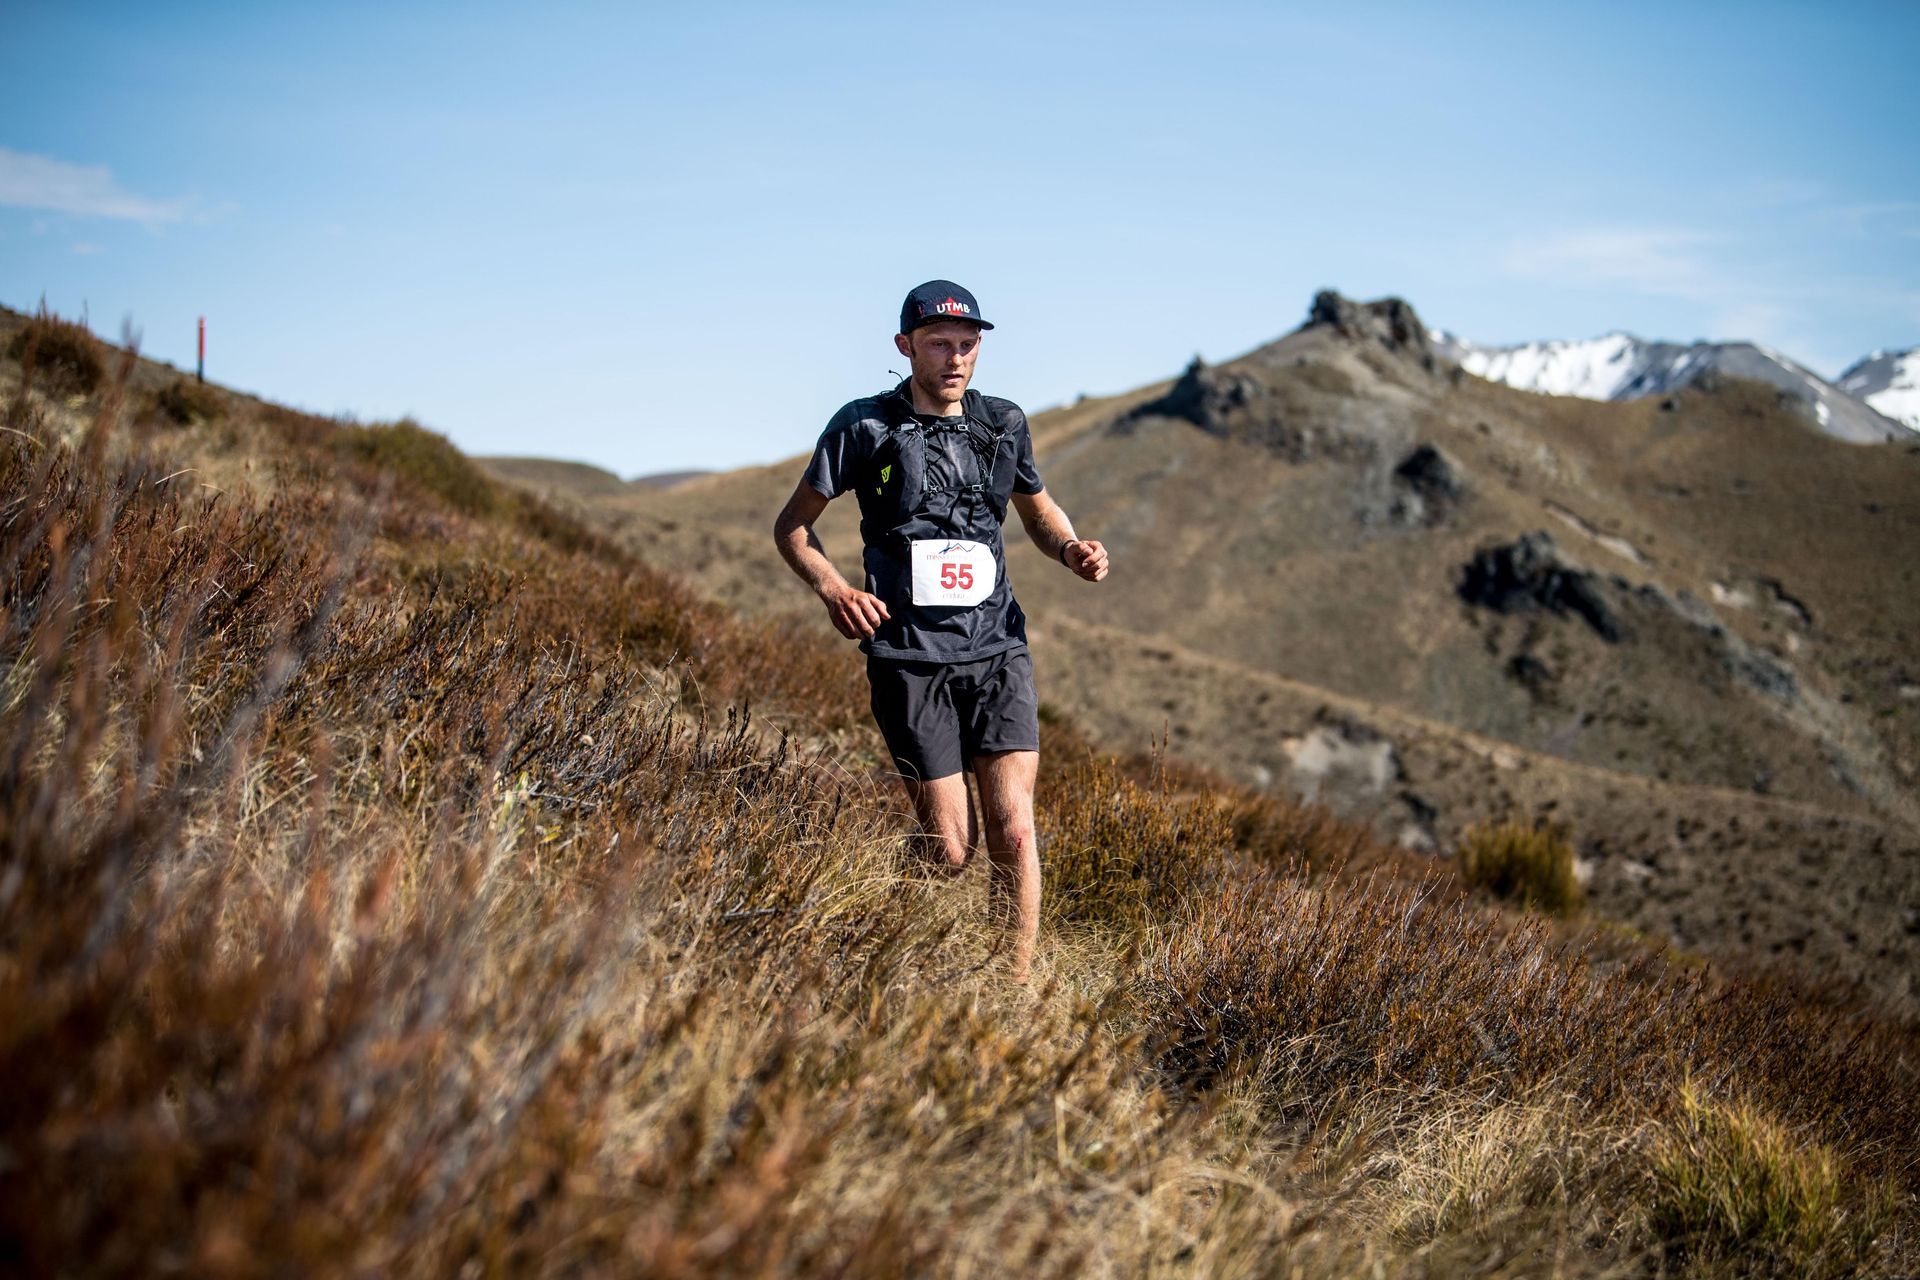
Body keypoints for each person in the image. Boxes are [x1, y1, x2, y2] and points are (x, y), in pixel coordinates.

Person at [773, 280, 1108, 981]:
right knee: (951, 851)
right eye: (939, 345)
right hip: (909, 659)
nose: (955, 358)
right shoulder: (863, 427)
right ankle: (883, 927)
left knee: (1015, 831)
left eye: (967, 344)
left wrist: (1071, 548)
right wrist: (835, 589)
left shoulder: (1003, 424)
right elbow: (793, 527)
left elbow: (1038, 512)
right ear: (907, 347)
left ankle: (1007, 991)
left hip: (998, 650)